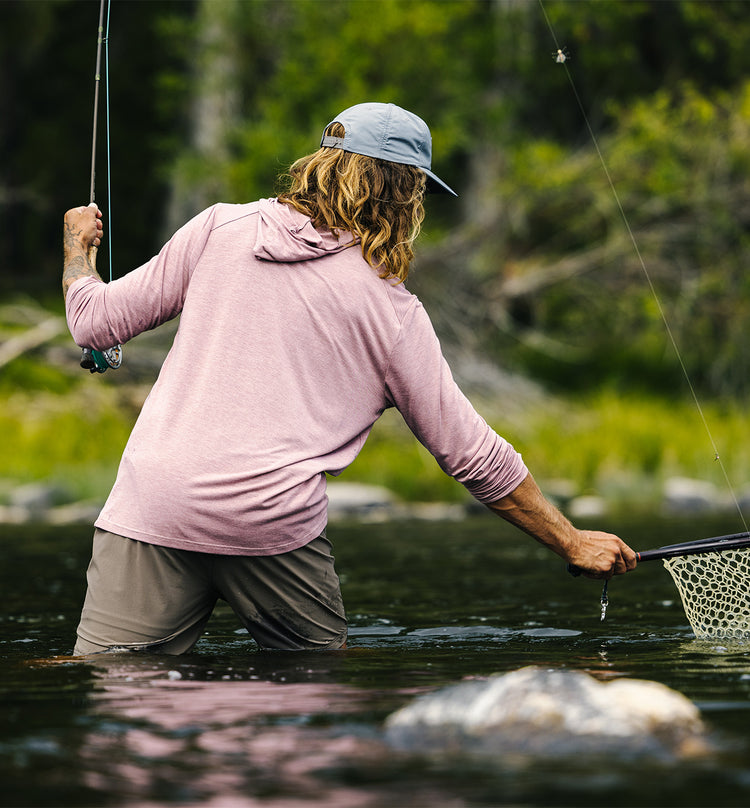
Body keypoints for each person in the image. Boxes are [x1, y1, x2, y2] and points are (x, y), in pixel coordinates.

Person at [63, 102, 637, 655]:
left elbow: (93, 323)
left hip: (153, 508)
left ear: (321, 165)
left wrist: (76, 251)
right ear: (403, 194)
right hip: (273, 530)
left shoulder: (219, 227)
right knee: (315, 692)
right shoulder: (393, 312)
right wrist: (571, 541)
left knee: (114, 691)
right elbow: (473, 456)